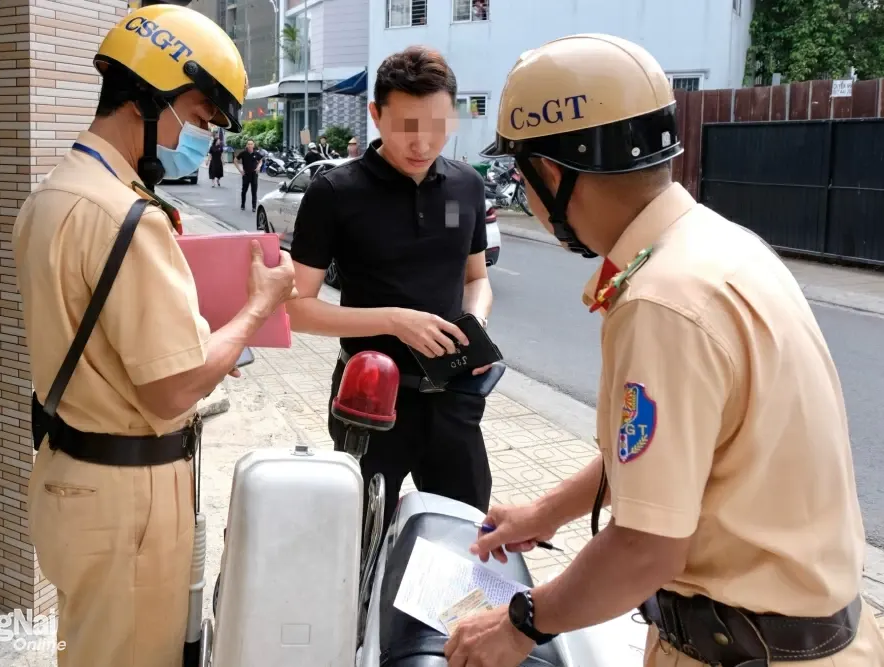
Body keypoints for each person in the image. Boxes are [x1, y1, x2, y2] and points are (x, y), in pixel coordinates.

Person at [442, 34, 884, 667]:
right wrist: (546, 510)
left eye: (522, 172)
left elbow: (647, 547)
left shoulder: (661, 302)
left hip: (739, 651)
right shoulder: (717, 245)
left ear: (552, 172)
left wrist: (519, 624)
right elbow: (678, 456)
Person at [12, 5, 296, 666]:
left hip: (64, 475)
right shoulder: (129, 219)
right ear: (150, 99)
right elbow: (172, 389)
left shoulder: (51, 196)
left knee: (87, 646)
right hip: (126, 502)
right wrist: (255, 309)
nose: (199, 138)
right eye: (198, 119)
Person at [287, 46, 494, 533]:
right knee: (361, 541)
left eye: (438, 125)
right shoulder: (335, 193)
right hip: (369, 401)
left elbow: (477, 278)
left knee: (462, 539)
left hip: (452, 399)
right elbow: (297, 308)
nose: (422, 143)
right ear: (375, 114)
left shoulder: (465, 186)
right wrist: (394, 320)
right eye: (406, 126)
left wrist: (477, 324)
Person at [234, 138, 262, 212]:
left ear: (253, 145)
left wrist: (259, 166)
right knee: (244, 191)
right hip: (246, 174)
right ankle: (242, 205)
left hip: (254, 174)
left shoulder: (256, 153)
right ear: (247, 145)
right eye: (248, 144)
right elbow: (235, 160)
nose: (250, 145)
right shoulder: (243, 153)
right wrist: (240, 170)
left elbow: (260, 161)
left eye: (251, 144)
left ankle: (254, 207)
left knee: (254, 191)